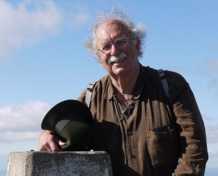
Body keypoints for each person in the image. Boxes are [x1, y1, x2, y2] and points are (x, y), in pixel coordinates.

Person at [39, 12, 208, 176]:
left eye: (121, 41)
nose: (114, 51)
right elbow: (61, 128)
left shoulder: (170, 86)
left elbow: (194, 148)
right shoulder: (91, 98)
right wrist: (46, 135)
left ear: (137, 45)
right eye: (106, 47)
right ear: (98, 57)